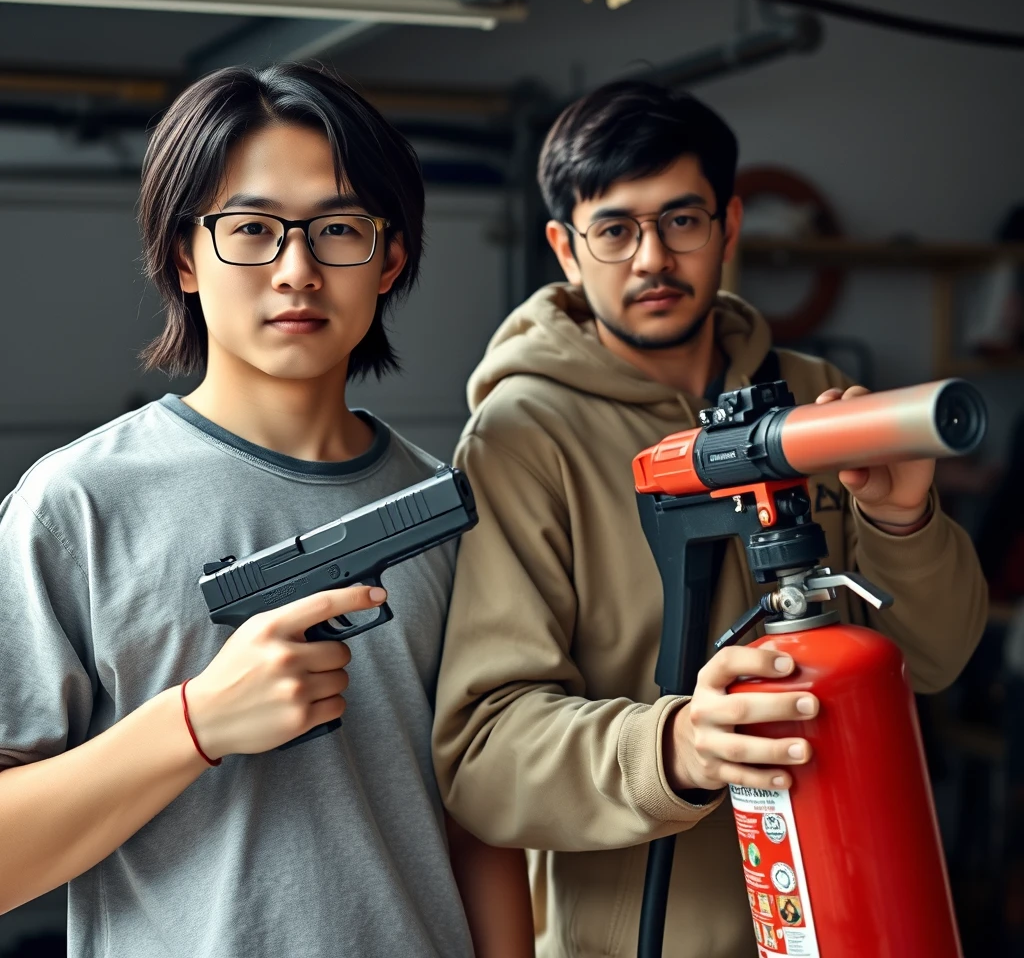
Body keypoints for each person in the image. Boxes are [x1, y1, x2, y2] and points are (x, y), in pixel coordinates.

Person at [432, 80, 988, 958]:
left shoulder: (812, 402)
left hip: (859, 914)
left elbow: (935, 662)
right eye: (614, 229)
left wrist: (903, 522)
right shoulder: (521, 437)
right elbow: (484, 756)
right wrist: (675, 747)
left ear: (728, 227)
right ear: (565, 251)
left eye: (681, 220)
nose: (651, 256)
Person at [0, 63, 533, 958]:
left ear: (390, 256)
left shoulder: (447, 510)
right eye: (252, 229)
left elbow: (481, 822)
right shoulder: (75, 508)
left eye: (338, 231)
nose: (297, 270)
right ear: (184, 256)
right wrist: (197, 724)